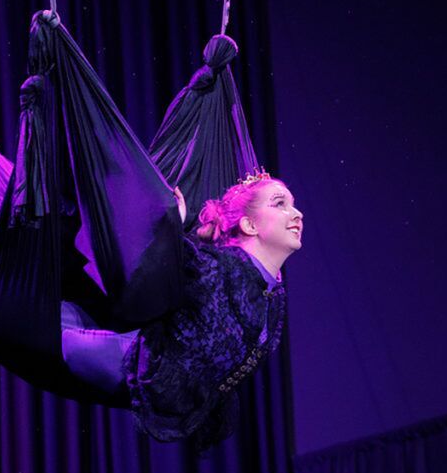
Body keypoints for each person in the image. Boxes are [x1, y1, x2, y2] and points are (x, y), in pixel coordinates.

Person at [59, 170, 303, 450]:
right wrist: (171, 226)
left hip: (160, 399)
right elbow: (158, 266)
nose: (297, 214)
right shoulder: (217, 268)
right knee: (45, 328)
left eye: (293, 204)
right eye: (280, 203)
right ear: (249, 225)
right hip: (125, 363)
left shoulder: (271, 297)